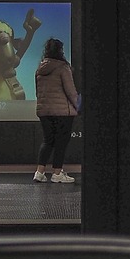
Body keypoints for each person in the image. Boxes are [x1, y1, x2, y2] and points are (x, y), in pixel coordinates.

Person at [33, 37, 79, 184]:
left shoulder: (39, 69)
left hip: (44, 111)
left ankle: (39, 173)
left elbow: (37, 93)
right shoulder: (63, 68)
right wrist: (78, 106)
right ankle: (57, 173)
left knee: (48, 141)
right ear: (60, 51)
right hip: (62, 112)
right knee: (61, 142)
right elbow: (71, 92)